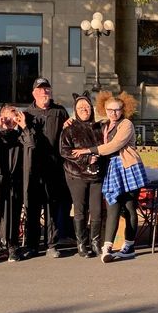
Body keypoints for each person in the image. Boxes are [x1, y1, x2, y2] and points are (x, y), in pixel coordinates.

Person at [75, 91, 147, 262]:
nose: (113, 113)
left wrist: (89, 150)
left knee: (129, 207)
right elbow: (85, 126)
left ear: (124, 109)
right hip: (111, 169)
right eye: (109, 109)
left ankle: (129, 246)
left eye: (117, 110)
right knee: (113, 207)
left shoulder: (126, 124)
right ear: (104, 109)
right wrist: (70, 121)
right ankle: (107, 247)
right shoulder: (104, 125)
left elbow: (115, 145)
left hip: (128, 168)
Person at [22, 77, 71, 259]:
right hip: (33, 170)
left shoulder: (59, 112)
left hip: (54, 168)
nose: (44, 92)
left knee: (52, 208)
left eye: (47, 88)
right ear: (34, 93)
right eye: (40, 89)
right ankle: (32, 245)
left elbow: (68, 136)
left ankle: (51, 244)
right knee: (33, 209)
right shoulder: (26, 114)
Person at [0, 104, 31, 264]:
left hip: (15, 179)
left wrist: (23, 125)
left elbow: (31, 143)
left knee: (13, 213)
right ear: (2, 116)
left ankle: (12, 247)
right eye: (11, 115)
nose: (13, 119)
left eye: (15, 115)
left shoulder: (19, 135)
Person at [59, 92, 103, 259]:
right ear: (75, 110)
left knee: (97, 210)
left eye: (86, 107)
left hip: (96, 175)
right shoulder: (69, 129)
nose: (84, 110)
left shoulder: (99, 128)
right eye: (80, 108)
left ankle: (95, 243)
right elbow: (64, 151)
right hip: (76, 175)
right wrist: (86, 158)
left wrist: (98, 158)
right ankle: (82, 244)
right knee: (80, 210)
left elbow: (105, 147)